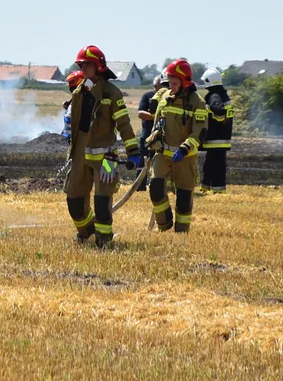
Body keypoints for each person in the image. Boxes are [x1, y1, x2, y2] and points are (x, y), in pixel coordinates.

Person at [63, 46, 142, 249]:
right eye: (81, 65)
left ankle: (104, 239)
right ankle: (86, 230)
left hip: (106, 158)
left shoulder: (111, 93)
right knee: (74, 200)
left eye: (87, 65)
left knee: (102, 201)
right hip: (81, 156)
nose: (83, 68)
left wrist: (133, 152)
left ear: (98, 66)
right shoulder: (80, 91)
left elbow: (123, 124)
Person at [147, 59, 207, 233]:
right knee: (156, 189)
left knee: (183, 199)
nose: (170, 86)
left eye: (174, 83)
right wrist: (153, 139)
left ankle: (181, 232)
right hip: (163, 154)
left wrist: (184, 148)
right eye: (170, 82)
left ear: (185, 82)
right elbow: (157, 122)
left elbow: (200, 132)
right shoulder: (165, 98)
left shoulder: (198, 103)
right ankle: (164, 226)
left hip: (185, 157)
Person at [200, 68, 233, 193]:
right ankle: (206, 187)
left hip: (216, 138)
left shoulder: (215, 96)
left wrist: (207, 113)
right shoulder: (221, 94)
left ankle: (218, 190)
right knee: (209, 164)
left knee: (216, 166)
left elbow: (219, 112)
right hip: (220, 138)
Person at [134, 74, 169, 192]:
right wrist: (156, 116)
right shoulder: (147, 96)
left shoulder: (169, 97)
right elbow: (140, 113)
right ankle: (139, 186)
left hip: (163, 137)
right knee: (143, 161)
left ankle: (161, 186)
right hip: (147, 135)